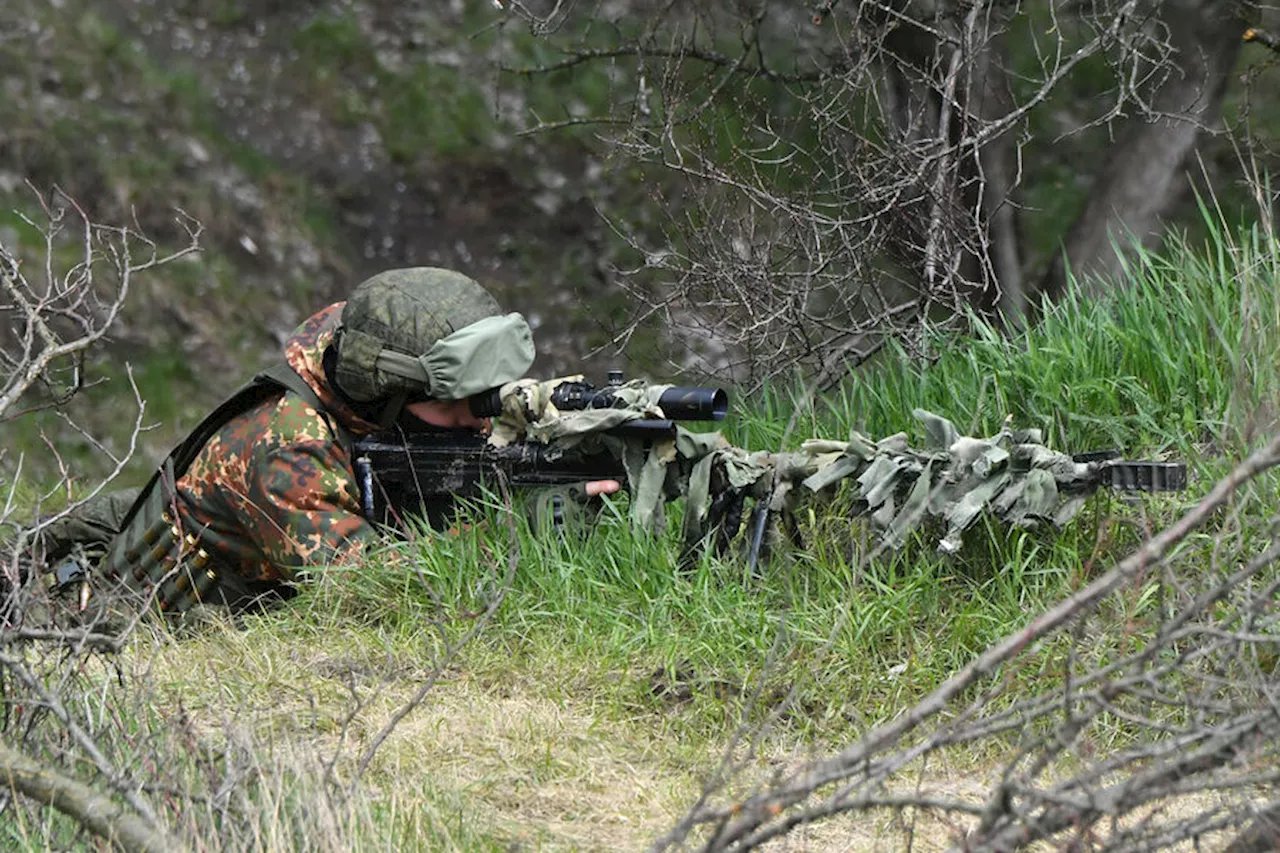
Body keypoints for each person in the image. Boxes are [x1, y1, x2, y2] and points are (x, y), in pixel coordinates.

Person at [38, 267, 618, 617]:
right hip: (143, 624)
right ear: (388, 392)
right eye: (456, 404)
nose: (478, 419)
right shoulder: (287, 445)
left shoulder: (356, 363)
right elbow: (365, 586)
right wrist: (517, 530)